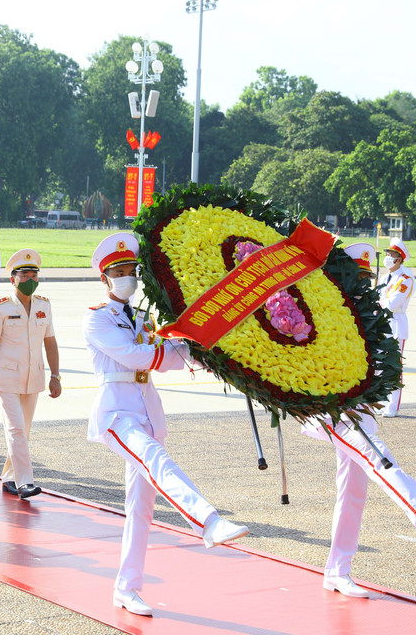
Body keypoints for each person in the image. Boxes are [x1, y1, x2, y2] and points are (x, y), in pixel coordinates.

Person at [83, 232, 249, 617]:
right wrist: (176, 350)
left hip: (145, 412)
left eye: (131, 271)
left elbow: (165, 350)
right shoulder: (96, 320)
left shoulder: (143, 316)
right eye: (119, 271)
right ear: (104, 277)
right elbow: (138, 356)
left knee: (141, 508)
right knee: (157, 460)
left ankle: (126, 587)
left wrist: (201, 346)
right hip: (116, 415)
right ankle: (207, 522)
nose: (128, 277)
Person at [301, 243, 416, 598]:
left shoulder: (365, 314)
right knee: (379, 458)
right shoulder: (322, 311)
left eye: (365, 277)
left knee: (352, 495)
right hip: (332, 412)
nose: (362, 284)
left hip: (359, 411)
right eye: (355, 277)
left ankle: (337, 571)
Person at [0, 249, 61, 499]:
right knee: (15, 430)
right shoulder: (1, 308)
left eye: (34, 275)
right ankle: (25, 482)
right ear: (12, 279)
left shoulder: (44, 305)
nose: (30, 280)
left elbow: (50, 342)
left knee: (22, 432)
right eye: (24, 275)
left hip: (33, 378)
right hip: (6, 379)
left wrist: (55, 376)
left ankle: (9, 477)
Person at [378, 238, 414, 418]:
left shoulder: (406, 278)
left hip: (396, 325)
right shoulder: (385, 278)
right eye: (386, 254)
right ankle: (382, 401)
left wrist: (381, 301)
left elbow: (393, 304)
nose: (387, 258)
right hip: (382, 325)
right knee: (379, 365)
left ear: (399, 259)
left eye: (390, 255)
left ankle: (393, 405)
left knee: (393, 367)